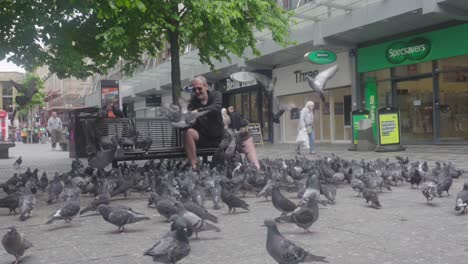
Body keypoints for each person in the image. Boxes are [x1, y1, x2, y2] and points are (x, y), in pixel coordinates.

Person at [183, 76, 260, 169]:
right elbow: (187, 120)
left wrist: (198, 111)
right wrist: (190, 120)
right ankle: (194, 167)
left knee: (247, 139)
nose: (197, 92)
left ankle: (256, 169)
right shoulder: (192, 101)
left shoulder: (216, 94)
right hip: (203, 138)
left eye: (199, 88)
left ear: (206, 86)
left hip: (221, 137)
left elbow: (216, 108)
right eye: (194, 89)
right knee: (188, 132)